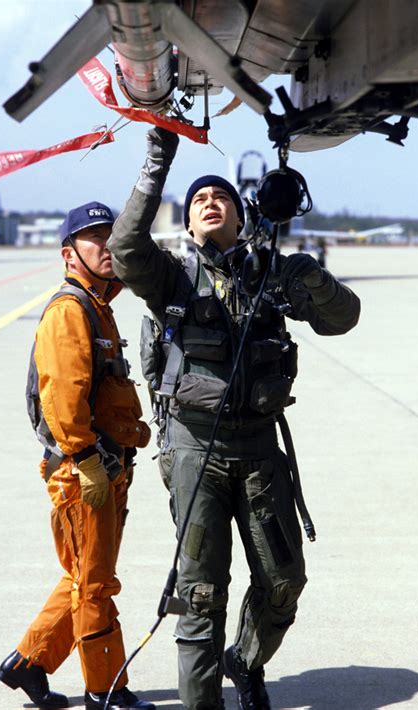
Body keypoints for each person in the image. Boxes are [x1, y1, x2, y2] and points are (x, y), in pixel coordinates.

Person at [107, 129, 361, 710]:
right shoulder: (170, 278)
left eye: (221, 196)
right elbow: (124, 248)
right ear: (190, 224)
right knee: (199, 596)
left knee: (283, 582)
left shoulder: (274, 273)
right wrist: (156, 164)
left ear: (243, 219)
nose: (210, 202)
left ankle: (244, 660)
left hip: (259, 449)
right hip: (195, 452)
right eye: (199, 200)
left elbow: (344, 318)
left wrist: (306, 272)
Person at [0, 202, 155, 710]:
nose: (107, 246)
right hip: (83, 472)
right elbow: (63, 400)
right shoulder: (70, 310)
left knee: (82, 576)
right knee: (95, 585)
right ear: (69, 254)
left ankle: (29, 663)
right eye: (94, 239)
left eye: (112, 236)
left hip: (104, 468)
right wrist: (89, 464)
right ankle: (105, 691)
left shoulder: (98, 306)